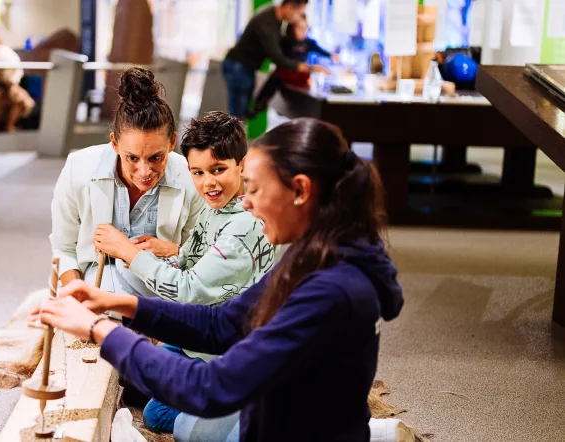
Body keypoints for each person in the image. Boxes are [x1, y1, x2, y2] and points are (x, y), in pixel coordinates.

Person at [40, 117, 404, 441]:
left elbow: (211, 388)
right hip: (280, 412)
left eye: (256, 189)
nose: (245, 203)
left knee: (185, 421)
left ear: (301, 190)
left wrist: (100, 330)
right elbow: (225, 322)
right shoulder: (314, 256)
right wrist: (117, 305)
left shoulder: (332, 289)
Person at [91, 111, 275, 434]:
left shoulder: (243, 229)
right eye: (198, 172)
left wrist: (130, 252)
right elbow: (189, 259)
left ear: (242, 165)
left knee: (172, 424)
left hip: (223, 345)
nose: (208, 183)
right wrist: (158, 254)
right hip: (200, 334)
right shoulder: (214, 207)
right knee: (145, 394)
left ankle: (241, 404)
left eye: (218, 170)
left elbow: (189, 288)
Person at [40, 67, 206, 299]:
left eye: (156, 157)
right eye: (132, 158)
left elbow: (203, 258)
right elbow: (64, 248)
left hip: (167, 288)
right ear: (114, 144)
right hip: (97, 285)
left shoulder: (191, 178)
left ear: (172, 143)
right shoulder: (78, 169)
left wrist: (174, 250)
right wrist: (80, 300)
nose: (144, 171)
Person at [221, 0, 328, 119]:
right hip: (239, 67)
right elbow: (277, 58)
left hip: (245, 67)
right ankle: (231, 137)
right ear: (289, 7)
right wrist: (310, 68)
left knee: (240, 111)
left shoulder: (275, 17)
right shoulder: (266, 23)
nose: (298, 17)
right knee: (237, 115)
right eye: (298, 12)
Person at [247, 15, 339, 118]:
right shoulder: (285, 42)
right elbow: (278, 58)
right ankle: (258, 105)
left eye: (305, 28)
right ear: (292, 28)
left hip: (300, 77)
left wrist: (331, 56)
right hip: (285, 75)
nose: (303, 31)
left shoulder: (308, 43)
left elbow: (320, 50)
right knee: (274, 80)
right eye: (299, 27)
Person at [0, 28, 35, 132]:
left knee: (25, 102)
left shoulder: (5, 52)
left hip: (9, 84)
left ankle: (9, 126)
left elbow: (16, 71)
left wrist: (11, 81)